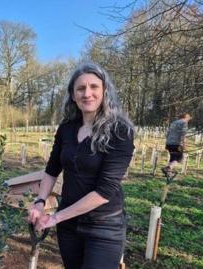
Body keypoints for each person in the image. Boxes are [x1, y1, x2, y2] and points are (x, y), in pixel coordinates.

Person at [27, 62, 134, 269]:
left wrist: (56, 217)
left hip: (104, 226)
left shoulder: (120, 131)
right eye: (80, 88)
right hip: (69, 227)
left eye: (94, 87)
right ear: (73, 95)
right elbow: (52, 170)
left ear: (104, 91)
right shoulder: (67, 128)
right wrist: (40, 201)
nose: (87, 93)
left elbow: (104, 192)